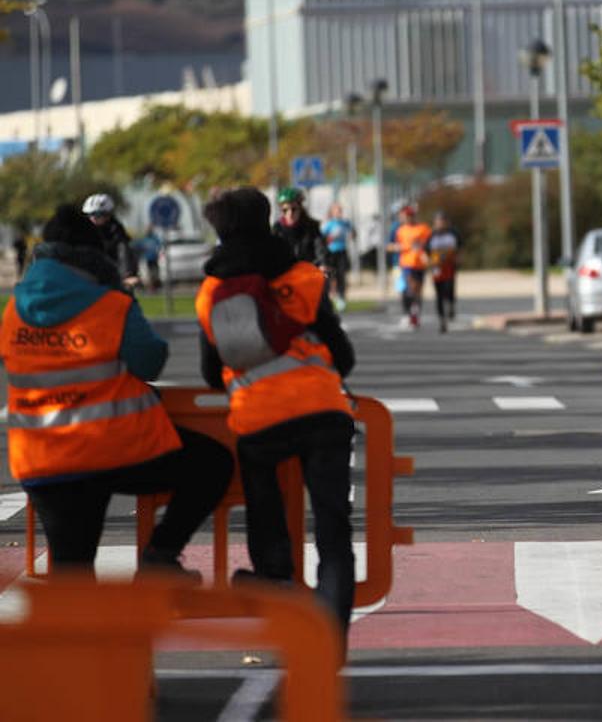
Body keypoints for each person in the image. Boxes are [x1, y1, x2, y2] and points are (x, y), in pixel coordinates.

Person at [1, 204, 232, 575]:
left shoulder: (14, 311)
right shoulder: (111, 304)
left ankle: (77, 629)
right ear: (94, 255)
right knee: (211, 465)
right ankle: (161, 553)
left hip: (40, 457)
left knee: (72, 575)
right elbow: (150, 360)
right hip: (108, 450)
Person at [196, 187, 358, 642]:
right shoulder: (303, 276)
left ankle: (275, 577)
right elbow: (342, 356)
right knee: (333, 532)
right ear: (268, 219)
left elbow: (212, 374)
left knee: (266, 512)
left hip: (259, 421)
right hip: (325, 414)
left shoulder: (212, 293)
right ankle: (330, 642)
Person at [82, 193, 140, 289]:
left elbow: (124, 254)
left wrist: (127, 275)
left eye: (97, 215)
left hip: (112, 281)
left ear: (108, 215)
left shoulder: (116, 234)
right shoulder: (81, 233)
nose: (92, 218)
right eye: (89, 215)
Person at [389, 202, 432, 330]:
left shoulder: (423, 228)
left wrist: (426, 253)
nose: (409, 218)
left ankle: (415, 313)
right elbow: (391, 245)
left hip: (420, 264)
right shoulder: (400, 230)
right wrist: (400, 247)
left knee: (418, 291)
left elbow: (429, 244)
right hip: (406, 264)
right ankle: (410, 313)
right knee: (409, 289)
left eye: (411, 216)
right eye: (407, 216)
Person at [272, 186, 326, 268]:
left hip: (307, 272)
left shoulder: (312, 227)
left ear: (300, 208)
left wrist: (323, 264)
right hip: (285, 274)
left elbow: (320, 249)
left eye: (293, 209)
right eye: (285, 210)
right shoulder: (277, 228)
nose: (289, 213)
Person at [428, 211, 460, 333]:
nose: (440, 223)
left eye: (442, 221)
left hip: (449, 266)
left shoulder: (453, 234)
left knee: (449, 290)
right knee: (439, 295)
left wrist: (456, 258)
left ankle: (451, 306)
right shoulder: (432, 235)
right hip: (437, 267)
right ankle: (442, 320)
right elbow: (426, 251)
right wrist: (431, 262)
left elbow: (459, 247)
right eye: (438, 221)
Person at [321, 203, 355, 312]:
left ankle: (341, 297)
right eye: (337, 210)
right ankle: (332, 294)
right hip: (331, 253)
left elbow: (353, 233)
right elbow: (322, 239)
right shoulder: (329, 224)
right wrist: (330, 238)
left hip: (342, 252)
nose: (339, 212)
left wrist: (352, 234)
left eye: (340, 210)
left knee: (342, 275)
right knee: (331, 275)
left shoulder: (346, 223)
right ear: (332, 212)